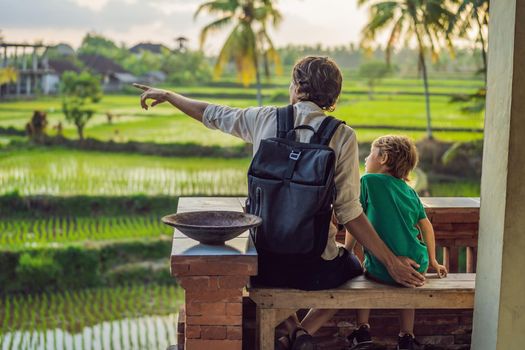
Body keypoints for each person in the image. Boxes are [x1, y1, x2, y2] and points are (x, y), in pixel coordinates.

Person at [133, 56, 425, 349]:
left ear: (298, 86)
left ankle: (294, 333)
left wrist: (170, 96)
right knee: (352, 267)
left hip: (264, 264)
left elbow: (212, 113)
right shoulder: (342, 136)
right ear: (333, 95)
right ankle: (300, 335)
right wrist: (392, 263)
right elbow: (350, 211)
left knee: (271, 276)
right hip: (315, 269)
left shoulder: (264, 118)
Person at [346, 135, 448, 350]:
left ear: (383, 158)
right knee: (408, 280)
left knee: (363, 275)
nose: (365, 159)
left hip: (383, 268)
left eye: (370, 154)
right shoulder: (409, 190)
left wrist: (346, 250)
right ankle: (406, 336)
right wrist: (433, 260)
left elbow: (356, 218)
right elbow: (426, 225)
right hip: (417, 263)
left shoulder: (368, 181)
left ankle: (362, 329)